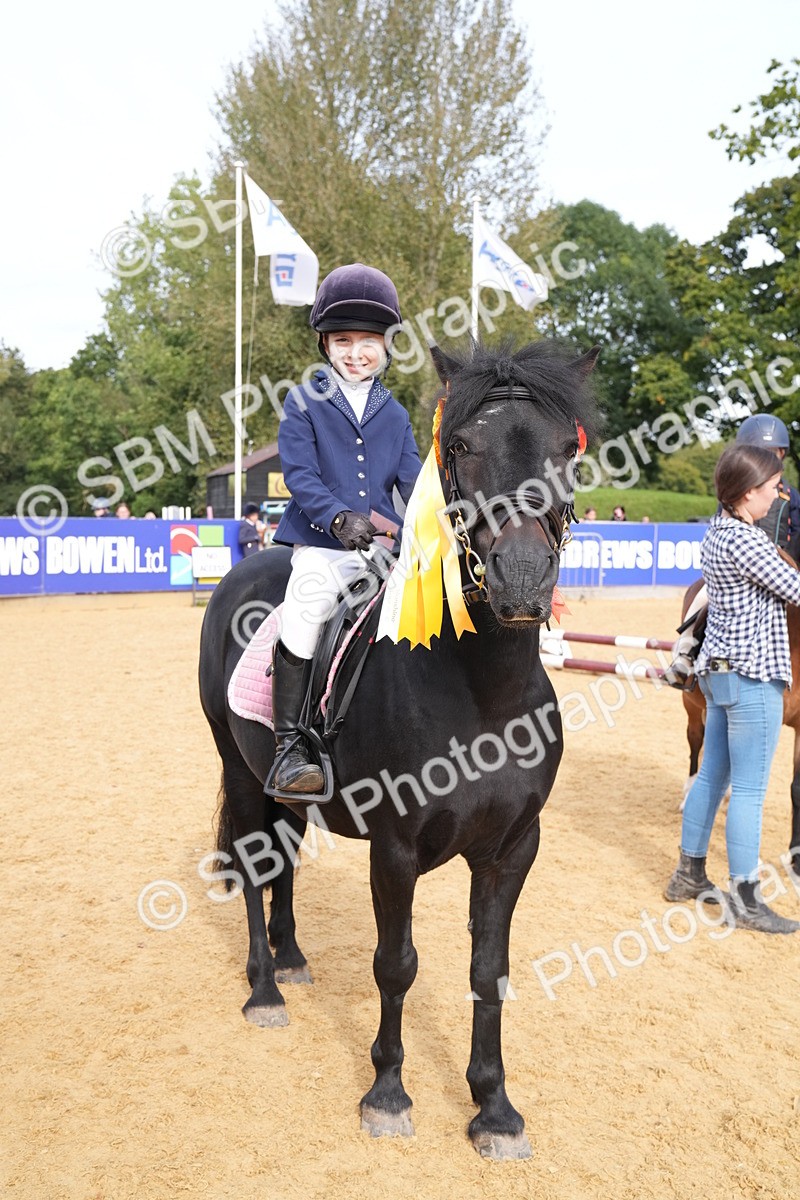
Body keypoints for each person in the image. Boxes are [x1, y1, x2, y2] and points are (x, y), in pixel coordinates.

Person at [270, 263, 421, 794]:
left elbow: (414, 483)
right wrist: (337, 518)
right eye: (343, 341)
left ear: (386, 346)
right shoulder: (303, 400)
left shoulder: (398, 414)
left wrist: (421, 527)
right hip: (321, 543)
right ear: (325, 345)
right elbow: (301, 475)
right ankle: (289, 748)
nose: (356, 352)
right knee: (307, 605)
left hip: (381, 548)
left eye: (368, 342)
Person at [664, 444, 800, 934]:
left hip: (719, 673)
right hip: (754, 675)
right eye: (771, 488)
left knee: (713, 776)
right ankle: (746, 898)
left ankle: (689, 872)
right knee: (748, 790)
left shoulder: (720, 531)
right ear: (748, 493)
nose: (777, 494)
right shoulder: (749, 542)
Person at [736, 414, 800, 561]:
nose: (765, 460)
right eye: (758, 451)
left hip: (781, 565)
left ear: (782, 453)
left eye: (771, 452)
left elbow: (797, 534)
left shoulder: (790, 494)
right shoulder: (735, 490)